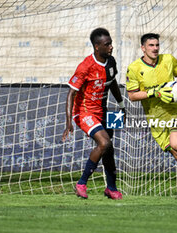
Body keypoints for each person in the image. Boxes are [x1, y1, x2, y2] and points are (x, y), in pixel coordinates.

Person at [125, 33, 177, 201]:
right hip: (155, 116)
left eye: (157, 45)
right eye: (151, 45)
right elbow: (132, 96)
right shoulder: (134, 68)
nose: (155, 48)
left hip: (175, 109)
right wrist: (154, 92)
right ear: (143, 48)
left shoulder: (169, 60)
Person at [62, 28, 125, 200]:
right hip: (84, 112)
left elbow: (112, 84)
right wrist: (69, 123)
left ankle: (111, 188)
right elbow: (71, 94)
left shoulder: (111, 62)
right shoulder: (85, 66)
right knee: (104, 143)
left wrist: (121, 106)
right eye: (107, 44)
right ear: (97, 47)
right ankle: (81, 183)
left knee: (109, 148)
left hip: (104, 111)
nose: (111, 47)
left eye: (111, 43)